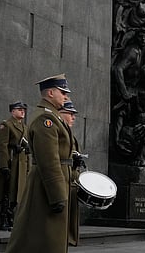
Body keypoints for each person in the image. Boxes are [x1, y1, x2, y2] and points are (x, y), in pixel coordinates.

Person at [5, 74, 75, 253]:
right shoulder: (46, 120)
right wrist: (58, 195)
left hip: (54, 184)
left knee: (47, 238)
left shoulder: (53, 117)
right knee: (43, 240)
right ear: (50, 93)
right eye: (63, 92)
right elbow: (49, 161)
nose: (66, 96)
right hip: (47, 188)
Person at [0, 101, 30, 231]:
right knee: (6, 193)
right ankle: (4, 220)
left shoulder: (25, 127)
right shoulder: (6, 125)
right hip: (11, 163)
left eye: (23, 109)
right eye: (19, 109)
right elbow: (1, 146)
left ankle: (12, 218)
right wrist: (4, 166)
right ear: (12, 111)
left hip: (22, 165)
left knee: (16, 194)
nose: (22, 111)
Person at [58, 100, 86, 246]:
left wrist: (78, 161)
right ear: (60, 113)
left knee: (72, 213)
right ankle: (63, 239)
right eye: (70, 114)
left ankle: (70, 238)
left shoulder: (71, 136)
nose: (73, 117)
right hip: (61, 177)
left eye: (74, 114)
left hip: (72, 178)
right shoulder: (57, 132)